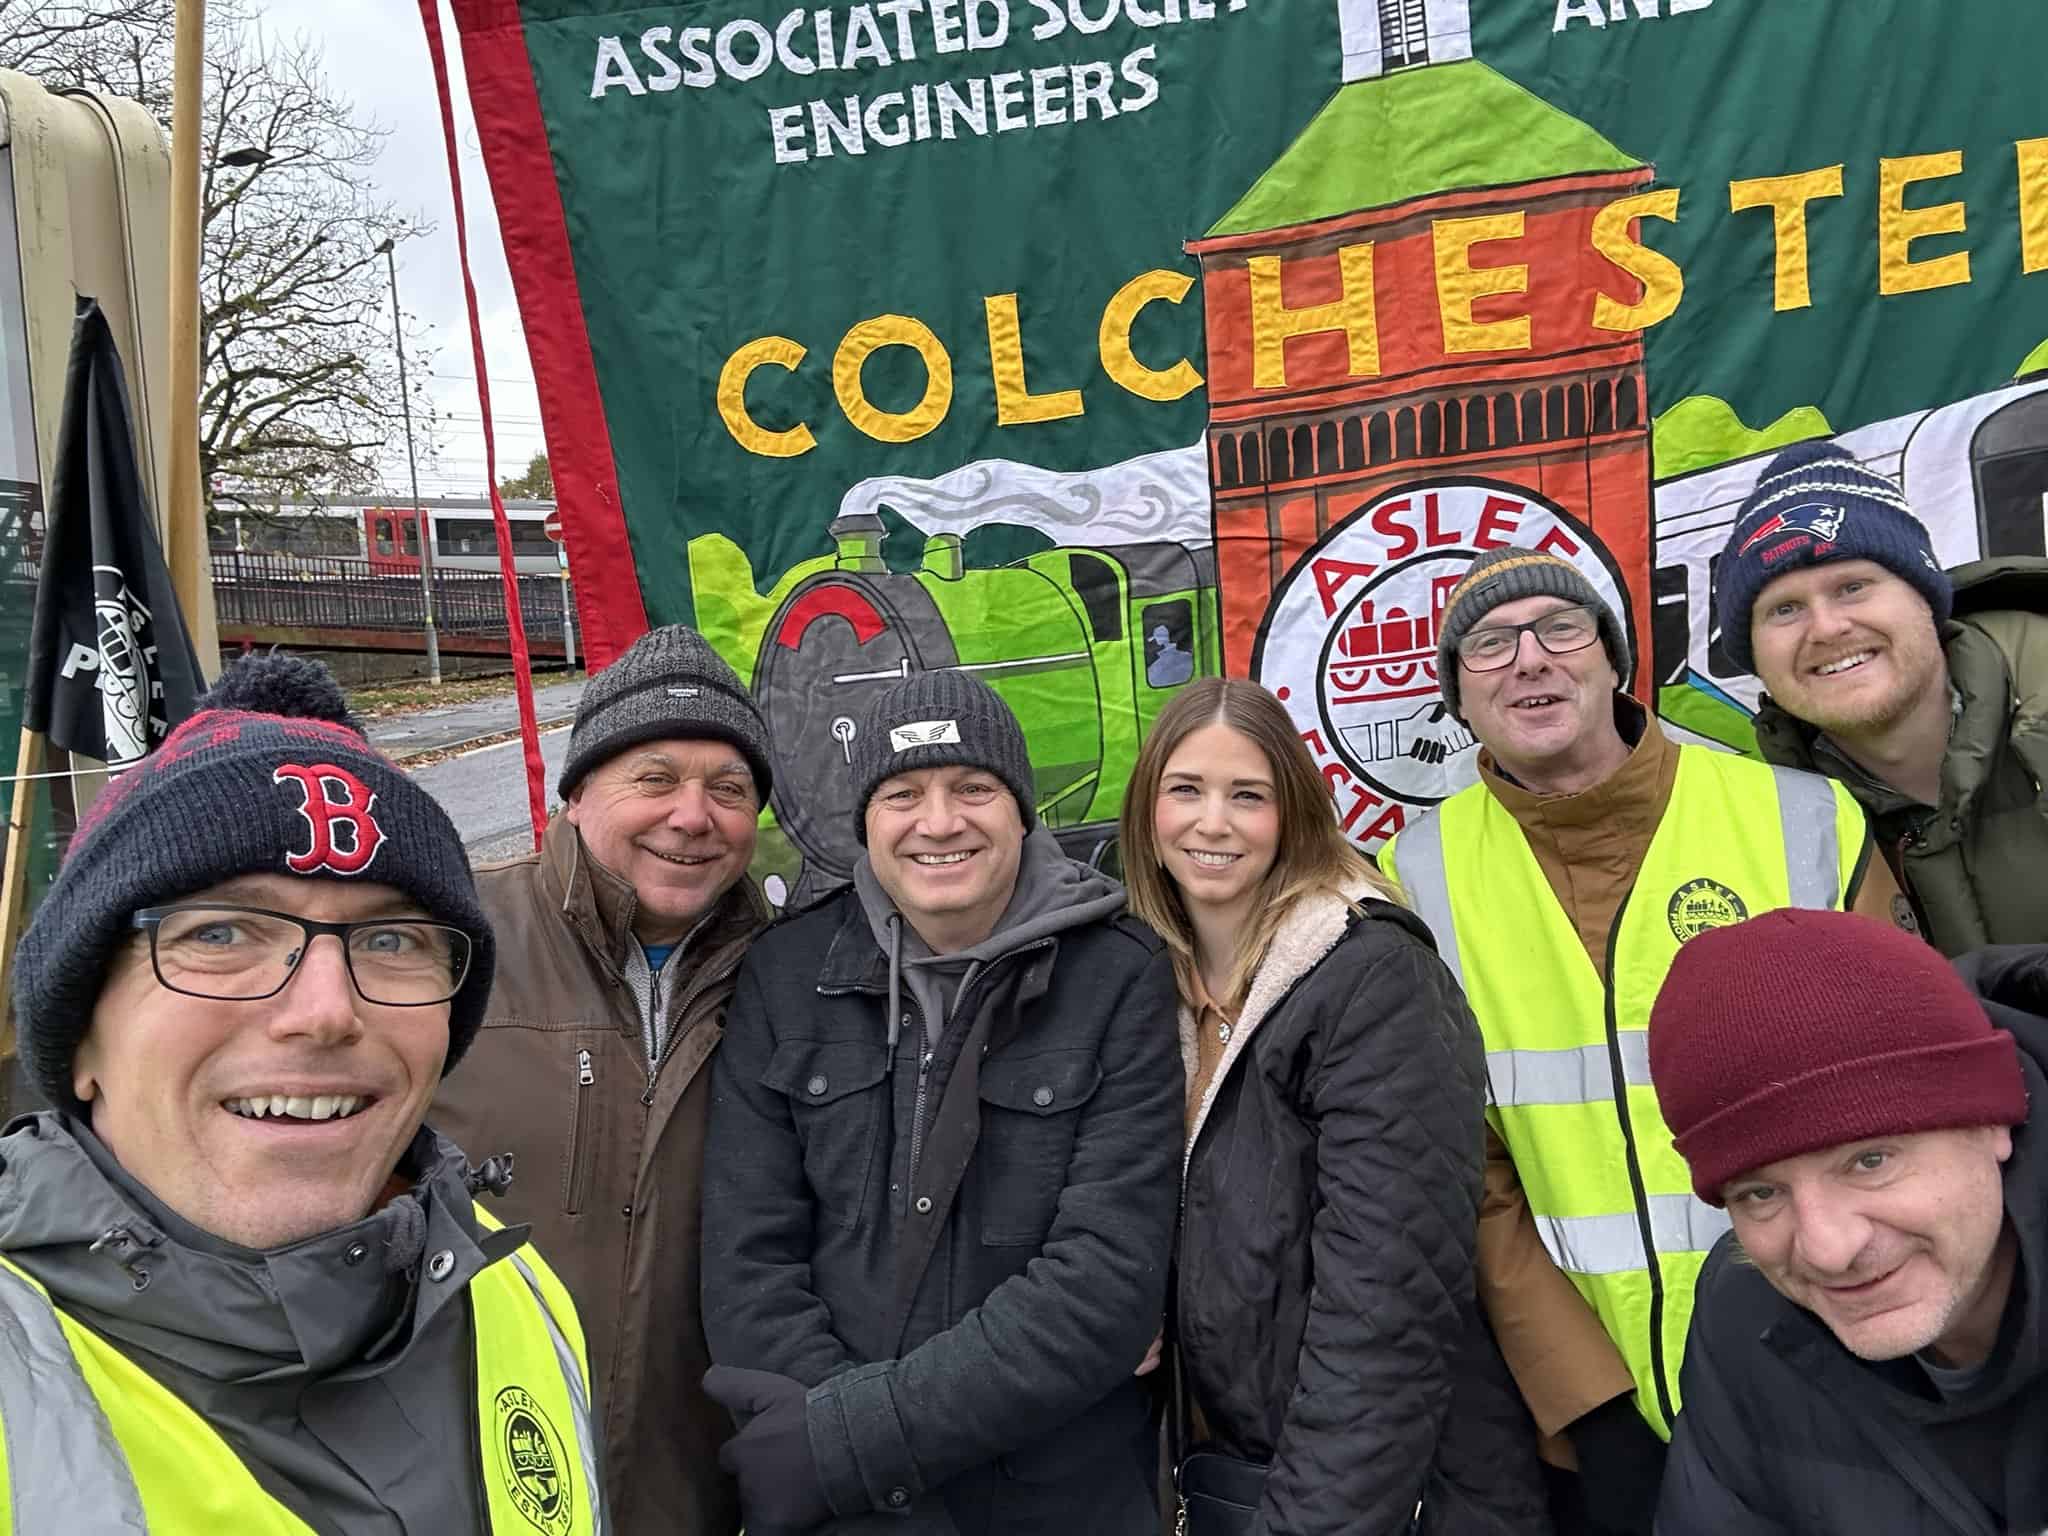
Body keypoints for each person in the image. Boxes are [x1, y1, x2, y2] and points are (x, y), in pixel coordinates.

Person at [0, 654, 601, 1534]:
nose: (325, 1012)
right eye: (220, 932)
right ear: (82, 1033)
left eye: (392, 941)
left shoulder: (519, 1298)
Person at [1377, 545, 1905, 1536]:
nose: (1526, 658)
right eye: (1487, 646)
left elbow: (1902, 1102)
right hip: (1597, 1420)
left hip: (1836, 1357)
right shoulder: (1414, 873)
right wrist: (1582, 1398)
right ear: (1455, 698)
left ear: (1614, 661)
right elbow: (1462, 1165)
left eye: (1558, 628)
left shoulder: (1799, 820)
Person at [700, 670, 1181, 1535]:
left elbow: (1105, 1284)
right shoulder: (785, 975)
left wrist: (856, 1445)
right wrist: (859, 1482)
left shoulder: (1120, 975)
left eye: (973, 788)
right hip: (842, 1509)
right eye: (903, 794)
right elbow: (749, 1263)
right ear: (865, 824)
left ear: (1022, 811)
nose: (939, 822)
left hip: (1058, 1495)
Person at [1120, 677, 1548, 1534]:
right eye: (1186, 790)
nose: (1212, 823)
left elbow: (1388, 1309)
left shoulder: (1371, 978)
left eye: (1249, 795)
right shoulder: (1140, 982)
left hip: (1377, 1486)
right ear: (1146, 812)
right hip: (1218, 1469)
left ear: (1296, 814)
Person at [433, 624, 771, 1536]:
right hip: (458, 1475)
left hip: (690, 1484)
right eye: (654, 779)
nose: (692, 816)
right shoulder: (446, 946)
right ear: (577, 792)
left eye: (729, 790)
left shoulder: (795, 972)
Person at [1647, 909, 2047, 1535]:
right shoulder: (1745, 1319)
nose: (1827, 1249)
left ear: (1993, 1119)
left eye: (1870, 1160)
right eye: (1759, 1193)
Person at [1720, 437, 2048, 953]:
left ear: (1926, 598)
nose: (1826, 628)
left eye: (1853, 587)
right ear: (1755, 657)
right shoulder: (1751, 825)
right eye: (1784, 609)